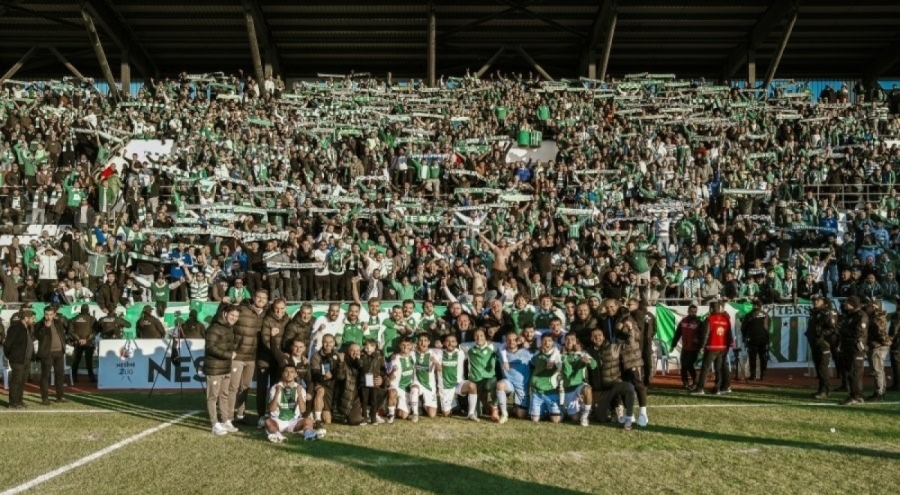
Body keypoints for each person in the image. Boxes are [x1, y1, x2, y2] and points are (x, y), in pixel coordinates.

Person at [230, 289, 268, 425]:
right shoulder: (242, 310)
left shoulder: (267, 313)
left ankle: (240, 414)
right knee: (233, 387)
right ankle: (228, 416)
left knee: (245, 387)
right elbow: (229, 322)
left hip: (252, 357)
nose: (261, 300)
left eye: (264, 298)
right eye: (259, 297)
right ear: (253, 297)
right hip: (238, 355)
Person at [586, 328, 637, 430]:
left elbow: (629, 344)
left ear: (604, 337)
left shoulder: (614, 348)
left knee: (629, 388)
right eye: (594, 336)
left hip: (614, 385)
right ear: (591, 338)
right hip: (599, 391)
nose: (597, 337)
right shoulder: (588, 352)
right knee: (601, 419)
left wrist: (631, 330)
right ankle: (607, 409)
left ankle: (628, 418)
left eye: (599, 335)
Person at [264, 365, 326, 443]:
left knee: (308, 421)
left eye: (292, 372)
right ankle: (277, 435)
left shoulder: (300, 388)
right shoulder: (275, 387)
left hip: (294, 421)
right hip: (278, 420)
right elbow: (271, 409)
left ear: (296, 374)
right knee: (268, 421)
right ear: (282, 374)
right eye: (286, 371)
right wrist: (277, 393)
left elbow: (303, 410)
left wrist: (299, 394)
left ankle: (309, 434)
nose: (289, 374)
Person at [205, 304, 239, 436]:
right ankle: (214, 424)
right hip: (214, 368)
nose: (234, 318)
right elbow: (210, 347)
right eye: (232, 315)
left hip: (226, 367)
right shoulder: (214, 328)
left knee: (224, 394)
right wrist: (228, 355)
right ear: (225, 314)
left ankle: (225, 420)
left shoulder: (229, 327)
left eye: (236, 316)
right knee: (212, 396)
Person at [691, 301, 734, 395]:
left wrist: (702, 346)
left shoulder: (709, 319)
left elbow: (705, 335)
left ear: (711, 309)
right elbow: (729, 334)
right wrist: (729, 344)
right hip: (722, 347)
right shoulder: (726, 319)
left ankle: (700, 388)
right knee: (718, 368)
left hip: (712, 347)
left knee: (705, 367)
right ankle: (717, 388)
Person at [257, 297, 287, 427]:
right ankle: (261, 416)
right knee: (262, 389)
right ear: (273, 308)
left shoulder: (287, 319)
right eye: (277, 308)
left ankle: (274, 415)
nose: (279, 311)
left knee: (276, 388)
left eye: (282, 309)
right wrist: (279, 354)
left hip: (278, 361)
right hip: (265, 359)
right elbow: (265, 341)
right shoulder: (267, 319)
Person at [806, 295, 840, 399]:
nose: (815, 302)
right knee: (818, 367)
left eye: (817, 300)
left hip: (824, 344)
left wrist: (820, 334)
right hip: (815, 343)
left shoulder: (826, 313)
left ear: (822, 301)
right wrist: (809, 333)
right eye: (813, 300)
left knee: (822, 367)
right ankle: (822, 388)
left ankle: (825, 390)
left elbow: (832, 328)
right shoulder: (814, 313)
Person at [461, 328, 498, 421]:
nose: (479, 338)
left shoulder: (493, 347)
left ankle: (495, 407)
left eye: (481, 335)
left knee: (493, 383)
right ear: (473, 337)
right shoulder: (469, 348)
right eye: (476, 336)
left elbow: (505, 346)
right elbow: (457, 346)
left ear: (485, 337)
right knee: (478, 413)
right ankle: (484, 404)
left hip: (488, 379)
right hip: (475, 382)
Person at [560, 333, 596, 427]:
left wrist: (588, 361)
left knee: (587, 389)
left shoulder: (582, 353)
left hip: (580, 384)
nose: (569, 341)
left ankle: (585, 416)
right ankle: (578, 407)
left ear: (576, 342)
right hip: (568, 389)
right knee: (574, 419)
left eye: (572, 339)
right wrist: (563, 355)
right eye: (567, 339)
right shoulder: (561, 354)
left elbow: (594, 365)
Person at [496, 330, 533, 422]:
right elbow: (501, 347)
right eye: (508, 340)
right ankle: (504, 414)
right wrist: (505, 360)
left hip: (522, 387)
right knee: (500, 385)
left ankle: (516, 407)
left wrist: (525, 343)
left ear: (518, 340)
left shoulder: (526, 352)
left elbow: (536, 362)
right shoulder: (502, 353)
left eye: (514, 339)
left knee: (521, 415)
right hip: (509, 383)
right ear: (505, 341)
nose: (511, 342)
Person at [35, 305, 68, 405]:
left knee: (60, 375)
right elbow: (38, 336)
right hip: (47, 353)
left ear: (54, 314)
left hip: (59, 352)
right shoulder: (39, 324)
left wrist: (64, 347)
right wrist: (45, 327)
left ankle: (60, 396)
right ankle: (45, 398)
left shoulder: (58, 322)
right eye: (46, 314)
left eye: (50, 314)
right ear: (44, 314)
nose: (48, 317)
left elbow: (63, 334)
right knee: (45, 376)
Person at [3, 309, 36, 409]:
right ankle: (13, 403)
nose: (33, 320)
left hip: (26, 359)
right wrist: (10, 356)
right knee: (16, 381)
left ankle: (19, 401)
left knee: (22, 381)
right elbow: (7, 344)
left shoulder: (27, 328)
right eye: (32, 318)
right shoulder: (15, 328)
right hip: (17, 359)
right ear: (26, 318)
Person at [838, 296, 868, 405]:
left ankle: (856, 396)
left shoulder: (861, 316)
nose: (845, 304)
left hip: (856, 348)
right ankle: (854, 395)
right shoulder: (850, 315)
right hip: (848, 347)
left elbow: (858, 333)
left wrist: (843, 330)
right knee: (850, 372)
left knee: (855, 372)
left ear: (853, 304)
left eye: (848, 302)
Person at [529, 333, 562, 423]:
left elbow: (560, 366)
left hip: (550, 392)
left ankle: (559, 410)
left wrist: (554, 361)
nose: (547, 343)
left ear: (553, 343)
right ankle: (544, 410)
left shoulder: (557, 356)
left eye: (549, 341)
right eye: (544, 340)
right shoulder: (537, 354)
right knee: (534, 419)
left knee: (556, 420)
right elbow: (532, 363)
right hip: (537, 392)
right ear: (541, 342)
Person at [310, 333, 341, 428]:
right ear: (322, 343)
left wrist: (332, 375)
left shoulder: (337, 355)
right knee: (320, 391)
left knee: (327, 421)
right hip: (321, 384)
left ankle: (326, 411)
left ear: (334, 343)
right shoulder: (316, 356)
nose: (328, 345)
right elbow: (314, 374)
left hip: (332, 386)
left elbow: (340, 373)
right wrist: (323, 377)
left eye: (330, 342)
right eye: (325, 342)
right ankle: (317, 418)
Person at [863, 300, 892, 401]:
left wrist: (877, 342)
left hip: (877, 346)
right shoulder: (876, 316)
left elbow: (880, 333)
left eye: (869, 306)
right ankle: (881, 391)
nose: (866, 307)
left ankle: (879, 393)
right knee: (879, 369)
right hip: (878, 345)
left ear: (874, 307)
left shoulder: (876, 318)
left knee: (877, 370)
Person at [671, 304, 702, 389]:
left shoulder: (699, 323)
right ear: (688, 311)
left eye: (695, 312)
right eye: (692, 311)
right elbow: (677, 333)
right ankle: (685, 383)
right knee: (683, 366)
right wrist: (673, 345)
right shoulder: (683, 321)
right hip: (685, 348)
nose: (693, 313)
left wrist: (700, 345)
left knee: (689, 365)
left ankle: (696, 382)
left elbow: (702, 336)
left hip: (694, 349)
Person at [357, 338, 387, 424]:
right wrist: (358, 359)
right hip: (364, 381)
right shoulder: (362, 356)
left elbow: (383, 369)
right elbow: (359, 367)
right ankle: (364, 417)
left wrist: (381, 378)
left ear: (374, 347)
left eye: (370, 347)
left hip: (374, 381)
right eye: (366, 346)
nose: (367, 348)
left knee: (374, 400)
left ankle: (373, 417)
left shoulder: (379, 357)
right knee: (364, 400)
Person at [437, 333, 466, 418]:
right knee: (446, 414)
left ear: (456, 343)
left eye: (453, 341)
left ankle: (470, 411)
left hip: (458, 383)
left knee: (472, 386)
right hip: (446, 386)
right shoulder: (439, 353)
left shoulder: (461, 353)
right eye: (448, 341)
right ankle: (453, 403)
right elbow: (428, 350)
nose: (450, 343)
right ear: (444, 343)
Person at [67, 304, 97, 383]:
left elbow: (70, 332)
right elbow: (95, 332)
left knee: (76, 361)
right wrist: (86, 340)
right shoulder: (92, 319)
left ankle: (74, 377)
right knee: (89, 361)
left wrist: (79, 339)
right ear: (88, 310)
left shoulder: (74, 319)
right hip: (88, 343)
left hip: (78, 342)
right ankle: (91, 377)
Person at [741, 300, 770, 381]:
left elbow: (743, 328)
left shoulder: (749, 315)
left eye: (753, 305)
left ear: (755, 306)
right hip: (763, 339)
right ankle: (762, 375)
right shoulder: (766, 315)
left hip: (752, 339)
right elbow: (768, 326)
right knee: (763, 357)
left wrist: (745, 337)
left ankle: (753, 376)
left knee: (752, 358)